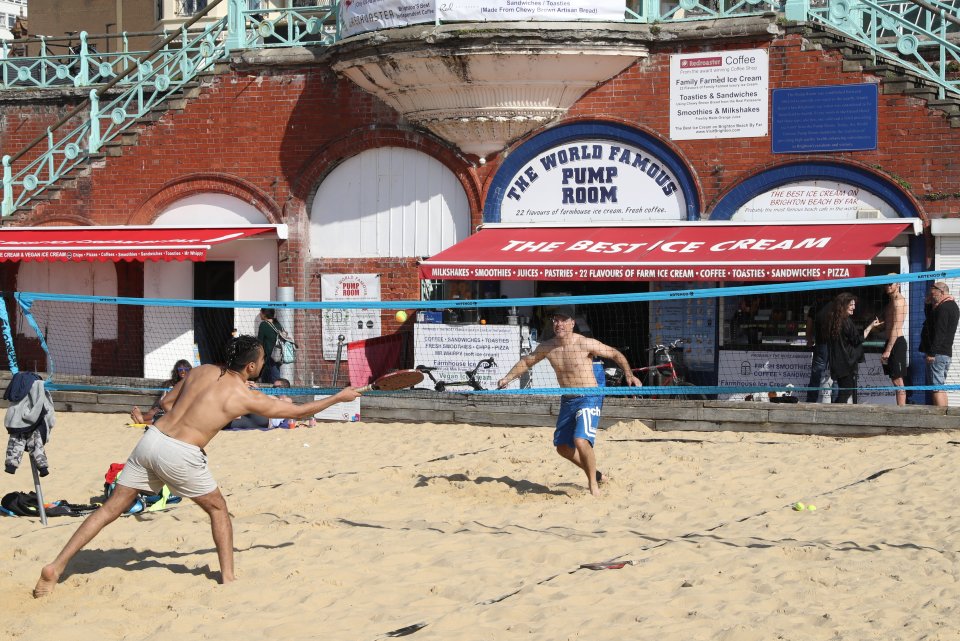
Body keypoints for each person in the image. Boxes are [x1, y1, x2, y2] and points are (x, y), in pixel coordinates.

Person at [33, 336, 361, 598]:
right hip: (181, 454)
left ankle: (56, 565)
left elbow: (166, 404)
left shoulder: (202, 371)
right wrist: (338, 397)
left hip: (151, 440)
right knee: (219, 510)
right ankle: (229, 579)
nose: (264, 362)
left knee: (109, 509)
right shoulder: (245, 396)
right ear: (250, 366)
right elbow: (298, 412)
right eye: (262, 359)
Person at [495, 305, 640, 497]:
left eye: (563, 320)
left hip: (589, 396)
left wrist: (629, 374)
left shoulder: (584, 343)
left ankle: (592, 486)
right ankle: (595, 474)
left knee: (580, 440)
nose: (558, 323)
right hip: (568, 399)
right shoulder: (548, 346)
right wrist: (507, 378)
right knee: (562, 448)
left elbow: (614, 353)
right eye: (555, 320)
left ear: (572, 323)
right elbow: (526, 362)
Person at [827, 293, 882, 404]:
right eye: (851, 304)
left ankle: (836, 413)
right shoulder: (846, 322)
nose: (854, 307)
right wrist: (870, 327)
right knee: (846, 392)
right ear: (843, 305)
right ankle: (834, 414)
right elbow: (857, 340)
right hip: (846, 363)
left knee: (844, 391)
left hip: (838, 362)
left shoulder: (834, 320)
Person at [921, 281, 960, 407]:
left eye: (933, 293)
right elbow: (930, 320)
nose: (931, 295)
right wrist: (928, 304)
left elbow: (940, 333)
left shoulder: (945, 308)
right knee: (939, 386)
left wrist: (932, 353)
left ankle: (941, 418)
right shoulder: (949, 305)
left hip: (938, 354)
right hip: (944, 353)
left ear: (941, 291)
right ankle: (944, 416)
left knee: (936, 388)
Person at [130, 359, 192, 424]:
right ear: (177, 371)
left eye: (186, 369)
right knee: (153, 412)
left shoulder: (189, 384)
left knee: (160, 415)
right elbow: (163, 397)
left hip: (175, 409)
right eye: (180, 370)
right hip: (164, 406)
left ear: (189, 371)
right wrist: (157, 406)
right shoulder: (170, 384)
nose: (183, 371)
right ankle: (141, 419)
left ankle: (141, 419)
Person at [880, 280, 908, 406]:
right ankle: (899, 410)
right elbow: (888, 324)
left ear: (898, 285)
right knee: (894, 379)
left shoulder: (899, 302)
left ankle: (902, 412)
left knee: (898, 381)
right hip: (889, 342)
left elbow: (896, 327)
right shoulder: (890, 303)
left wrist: (888, 350)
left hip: (896, 344)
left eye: (891, 283)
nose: (888, 286)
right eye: (887, 283)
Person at [805, 296, 833, 403]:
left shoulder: (815, 308)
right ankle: (837, 401)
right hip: (834, 345)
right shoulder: (836, 306)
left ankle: (811, 401)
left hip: (821, 344)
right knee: (836, 375)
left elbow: (809, 326)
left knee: (816, 375)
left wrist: (809, 340)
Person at [256, 308, 284, 384]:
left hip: (269, 356)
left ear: (264, 314)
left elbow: (259, 342)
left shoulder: (263, 325)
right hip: (278, 354)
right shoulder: (277, 324)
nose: (260, 314)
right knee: (268, 378)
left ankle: (279, 395)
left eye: (260, 312)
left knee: (274, 380)